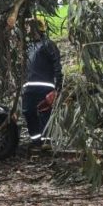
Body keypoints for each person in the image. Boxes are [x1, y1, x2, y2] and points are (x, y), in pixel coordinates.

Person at [22, 16, 62, 149]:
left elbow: (57, 64)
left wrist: (58, 85)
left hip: (45, 85)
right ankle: (36, 139)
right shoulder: (28, 46)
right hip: (29, 85)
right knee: (28, 111)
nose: (27, 28)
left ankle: (47, 141)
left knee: (45, 111)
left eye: (30, 25)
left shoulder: (48, 44)